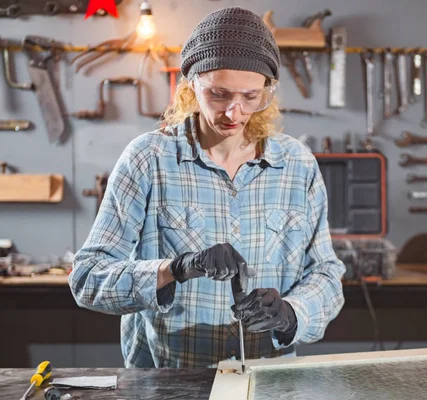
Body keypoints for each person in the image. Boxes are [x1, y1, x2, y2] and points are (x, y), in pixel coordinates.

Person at [68, 6, 346, 368]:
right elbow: (88, 277)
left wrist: (290, 314)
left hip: (270, 378)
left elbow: (326, 274)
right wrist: (175, 269)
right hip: (171, 382)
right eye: (218, 94)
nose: (234, 112)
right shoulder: (149, 159)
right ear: (190, 84)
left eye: (250, 97)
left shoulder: (296, 164)